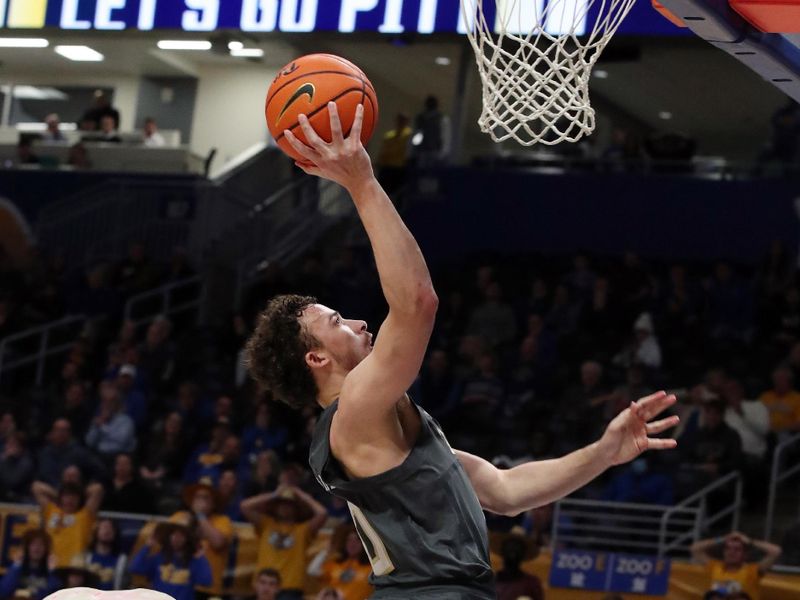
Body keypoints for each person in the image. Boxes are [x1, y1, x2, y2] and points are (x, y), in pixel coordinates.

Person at [244, 104, 681, 598]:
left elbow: (506, 491)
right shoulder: (354, 413)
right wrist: (362, 183)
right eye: (337, 322)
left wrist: (603, 453)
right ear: (317, 359)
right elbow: (417, 304)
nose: (359, 322)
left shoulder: (390, 430)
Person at [241, 484, 327, 599]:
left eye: (290, 504)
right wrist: (274, 494)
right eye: (281, 503)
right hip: (264, 585)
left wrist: (299, 494)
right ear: (275, 506)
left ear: (296, 508)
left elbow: (322, 513)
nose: (285, 507)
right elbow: (245, 506)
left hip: (290, 589)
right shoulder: (266, 524)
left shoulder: (302, 530)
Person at [169, 479, 233, 597]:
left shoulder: (222, 521)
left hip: (207, 588)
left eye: (206, 498)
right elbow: (169, 543)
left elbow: (218, 543)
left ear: (213, 503)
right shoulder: (179, 516)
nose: (201, 501)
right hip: (177, 583)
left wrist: (200, 515)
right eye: (197, 497)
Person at [129, 522, 212, 600]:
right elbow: (135, 568)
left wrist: (201, 557)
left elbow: (206, 581)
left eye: (181, 535)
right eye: (173, 534)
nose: (176, 538)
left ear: (187, 539)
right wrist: (147, 546)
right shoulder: (159, 558)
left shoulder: (194, 561)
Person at [31, 479, 104, 567]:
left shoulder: (85, 516)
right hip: (50, 566)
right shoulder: (51, 511)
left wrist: (80, 493)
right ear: (61, 497)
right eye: (66, 496)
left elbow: (97, 489)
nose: (70, 500)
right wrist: (58, 494)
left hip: (73, 568)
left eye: (74, 497)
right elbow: (36, 487)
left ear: (79, 500)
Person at [691, 531, 782, 600]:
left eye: (737, 549)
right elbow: (695, 548)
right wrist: (724, 538)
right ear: (723, 552)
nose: (732, 552)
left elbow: (775, 551)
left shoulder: (752, 571)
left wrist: (750, 541)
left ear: (745, 555)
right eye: (728, 548)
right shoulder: (714, 566)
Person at [308, 523, 372, 600]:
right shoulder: (335, 564)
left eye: (357, 540)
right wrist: (325, 552)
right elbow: (312, 571)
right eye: (349, 540)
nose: (352, 543)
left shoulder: (371, 568)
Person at [0, 529, 59, 600]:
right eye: (33, 544)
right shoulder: (16, 568)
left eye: (41, 544)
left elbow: (54, 596)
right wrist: (16, 566)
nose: (37, 548)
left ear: (47, 549)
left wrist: (51, 572)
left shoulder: (50, 573)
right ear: (25, 548)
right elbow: (3, 592)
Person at [84, 382, 136, 459]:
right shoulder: (99, 419)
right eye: (104, 400)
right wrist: (97, 427)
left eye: (111, 401)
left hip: (117, 457)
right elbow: (89, 442)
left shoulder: (126, 421)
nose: (107, 404)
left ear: (117, 403)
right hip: (98, 455)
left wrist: (102, 426)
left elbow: (121, 441)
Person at [493, 532, 544, 600]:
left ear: (523, 554)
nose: (513, 549)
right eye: (510, 546)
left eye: (517, 547)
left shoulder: (532, 583)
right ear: (502, 551)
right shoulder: (490, 582)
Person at [81, 518, 127, 590]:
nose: (107, 531)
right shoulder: (85, 557)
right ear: (96, 532)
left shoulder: (122, 560)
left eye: (110, 528)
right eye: (103, 527)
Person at [376, 113, 412, 195]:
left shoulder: (409, 135)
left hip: (401, 168)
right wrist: (379, 162)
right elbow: (383, 151)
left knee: (398, 192)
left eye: (403, 120)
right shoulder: (389, 136)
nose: (401, 122)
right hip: (388, 167)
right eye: (399, 120)